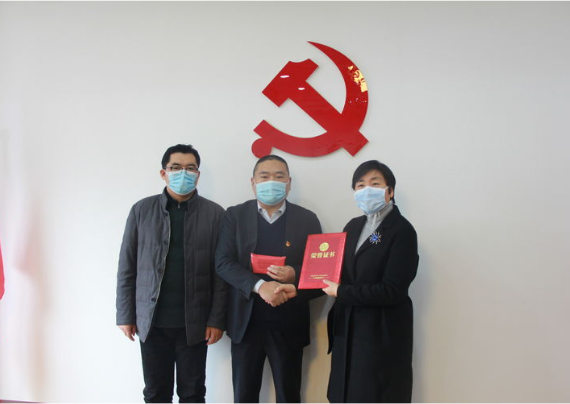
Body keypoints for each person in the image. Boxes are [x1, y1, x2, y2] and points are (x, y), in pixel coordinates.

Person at [116, 144, 228, 403]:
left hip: (195, 323)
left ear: (198, 174)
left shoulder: (215, 214)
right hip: (151, 321)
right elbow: (127, 266)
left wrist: (217, 320)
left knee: (193, 393)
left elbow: (221, 274)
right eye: (176, 168)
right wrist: (125, 314)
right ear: (163, 173)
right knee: (156, 393)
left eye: (190, 168)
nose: (183, 173)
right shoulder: (142, 210)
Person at [215, 155, 322, 403]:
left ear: (289, 183)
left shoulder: (307, 219)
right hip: (246, 323)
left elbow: (320, 272)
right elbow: (223, 262)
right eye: (264, 176)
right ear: (253, 183)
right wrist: (260, 286)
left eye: (279, 176)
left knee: (289, 396)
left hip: (289, 323)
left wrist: (294, 273)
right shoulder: (235, 215)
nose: (271, 181)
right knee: (244, 396)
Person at [322, 160, 419, 403]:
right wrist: (300, 279)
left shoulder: (402, 231)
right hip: (348, 327)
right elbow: (337, 270)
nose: (367, 190)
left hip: (380, 331)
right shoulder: (353, 226)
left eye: (375, 184)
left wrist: (342, 292)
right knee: (344, 393)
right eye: (360, 185)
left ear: (390, 191)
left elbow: (392, 290)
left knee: (373, 393)